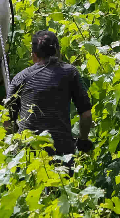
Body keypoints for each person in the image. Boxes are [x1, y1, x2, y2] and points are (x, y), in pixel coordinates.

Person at [6, 30, 94, 158]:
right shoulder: (70, 73)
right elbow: (86, 115)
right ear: (58, 51)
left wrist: (16, 140)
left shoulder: (20, 77)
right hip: (62, 151)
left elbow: (7, 122)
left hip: (28, 153)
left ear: (33, 55)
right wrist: (83, 141)